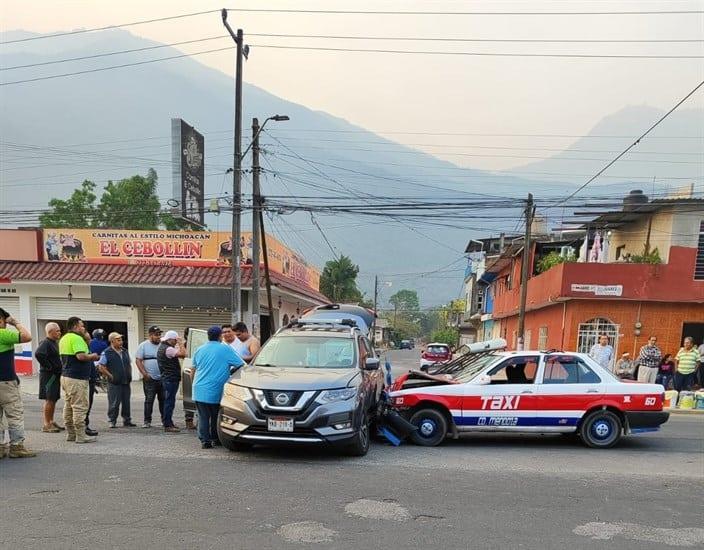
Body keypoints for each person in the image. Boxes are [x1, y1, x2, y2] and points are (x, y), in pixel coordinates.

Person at [191, 326, 245, 448]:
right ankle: (216, 438)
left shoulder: (199, 349)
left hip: (199, 387)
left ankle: (205, 441)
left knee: (203, 416)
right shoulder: (225, 349)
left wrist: (193, 385)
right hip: (216, 388)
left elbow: (193, 370)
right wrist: (229, 373)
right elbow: (240, 364)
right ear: (220, 336)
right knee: (216, 416)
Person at [0, 307, 36, 458]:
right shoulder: (2, 334)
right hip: (6, 382)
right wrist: (15, 322)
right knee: (14, 413)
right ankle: (16, 446)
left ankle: (1, 447)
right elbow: (27, 337)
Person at [60, 317, 99, 444]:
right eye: (82, 326)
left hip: (66, 376)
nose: (84, 328)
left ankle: (71, 434)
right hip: (77, 378)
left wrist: (87, 339)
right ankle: (81, 435)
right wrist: (93, 356)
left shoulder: (64, 338)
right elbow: (81, 356)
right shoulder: (76, 338)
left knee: (68, 406)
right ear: (76, 326)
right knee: (79, 407)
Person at [98, 332, 135, 428]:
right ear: (112, 341)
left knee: (126, 402)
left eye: (121, 340)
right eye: (118, 340)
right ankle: (112, 420)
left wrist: (129, 374)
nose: (121, 342)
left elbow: (129, 364)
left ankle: (127, 420)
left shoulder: (125, 351)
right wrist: (110, 376)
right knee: (114, 403)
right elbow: (101, 367)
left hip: (126, 381)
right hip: (114, 382)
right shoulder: (106, 352)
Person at [35, 322, 64, 433]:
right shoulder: (46, 343)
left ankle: (51, 421)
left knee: (54, 398)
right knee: (50, 399)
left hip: (55, 375)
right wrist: (49, 367)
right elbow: (38, 354)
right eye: (57, 331)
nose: (59, 332)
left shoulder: (53, 343)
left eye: (59, 330)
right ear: (50, 332)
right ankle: (47, 424)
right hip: (49, 376)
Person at [135, 325, 165, 428]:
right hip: (149, 378)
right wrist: (144, 374)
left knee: (163, 400)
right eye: (156, 335)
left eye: (159, 335)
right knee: (149, 400)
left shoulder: (162, 345)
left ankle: (164, 420)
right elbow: (138, 360)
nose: (158, 337)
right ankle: (147, 421)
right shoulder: (143, 345)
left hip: (162, 378)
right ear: (150, 335)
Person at [157, 330, 186, 433]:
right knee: (169, 402)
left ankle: (168, 422)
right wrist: (181, 343)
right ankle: (168, 424)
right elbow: (183, 354)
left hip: (167, 377)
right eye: (175, 340)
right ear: (170, 339)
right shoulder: (168, 349)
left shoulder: (162, 347)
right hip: (170, 378)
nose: (176, 342)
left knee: (168, 401)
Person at [86, 329, 108, 436]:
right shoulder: (103, 343)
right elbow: (106, 353)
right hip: (97, 361)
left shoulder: (91, 343)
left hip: (93, 362)